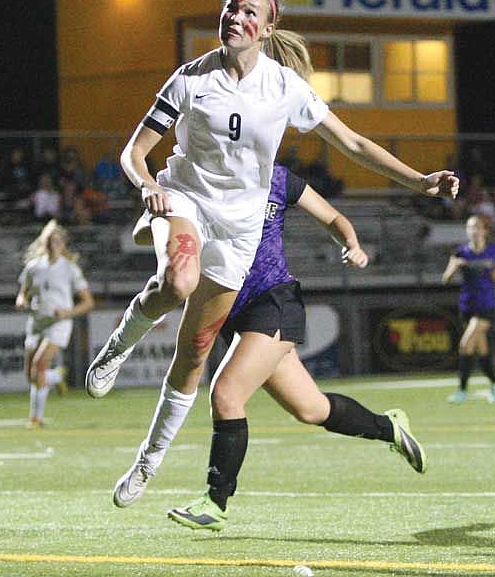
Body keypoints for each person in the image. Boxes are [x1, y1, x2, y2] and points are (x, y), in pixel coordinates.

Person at [85, 0, 458, 495]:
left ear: (268, 28)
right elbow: (134, 152)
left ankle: (148, 463)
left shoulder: (285, 88)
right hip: (186, 200)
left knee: (195, 350)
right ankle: (116, 350)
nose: (236, 17)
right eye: (231, 7)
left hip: (240, 234)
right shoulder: (190, 79)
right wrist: (148, 186)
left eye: (250, 11)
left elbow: (351, 141)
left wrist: (419, 180)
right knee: (178, 278)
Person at [111, 164, 426, 527]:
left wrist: (351, 244)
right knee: (312, 409)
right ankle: (390, 427)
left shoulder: (279, 178)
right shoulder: (201, 175)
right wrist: (164, 221)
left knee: (225, 394)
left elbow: (332, 215)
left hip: (273, 299)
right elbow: (143, 233)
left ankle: (215, 502)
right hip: (228, 306)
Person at [16, 220, 94, 427]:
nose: (55, 245)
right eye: (51, 241)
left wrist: (67, 312)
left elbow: (88, 302)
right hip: (36, 322)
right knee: (30, 375)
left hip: (59, 323)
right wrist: (22, 301)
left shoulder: (70, 268)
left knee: (38, 366)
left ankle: (36, 418)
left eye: (59, 241)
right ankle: (56, 377)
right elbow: (22, 293)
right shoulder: (34, 267)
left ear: (63, 244)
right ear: (45, 242)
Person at [441, 215, 495, 404]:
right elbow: (445, 279)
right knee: (482, 351)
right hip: (467, 306)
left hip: (486, 306)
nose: (473, 230)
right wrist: (454, 267)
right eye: (469, 227)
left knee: (465, 345)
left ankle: (462, 391)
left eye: (476, 227)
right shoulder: (460, 253)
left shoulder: (494, 251)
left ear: (484, 230)